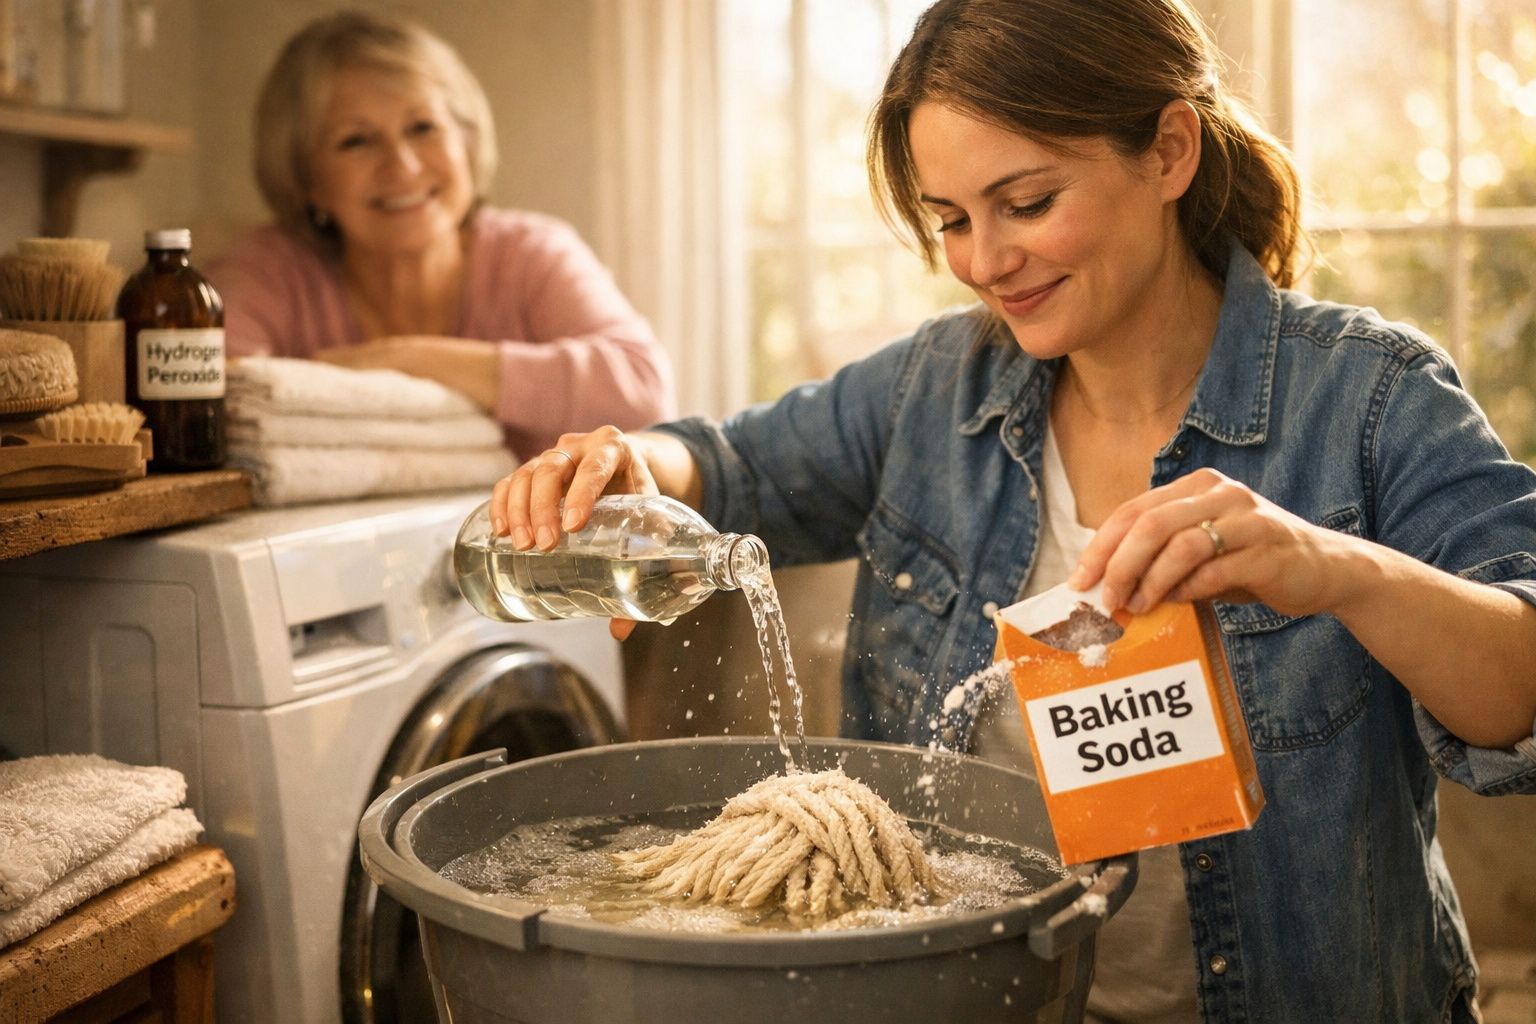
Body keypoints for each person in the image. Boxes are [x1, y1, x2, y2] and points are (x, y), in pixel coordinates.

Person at [489, 1, 1536, 1020]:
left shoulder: (1372, 397)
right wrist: (632, 464)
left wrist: (1337, 568)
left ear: (1169, 152)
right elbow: (727, 468)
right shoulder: (932, 390)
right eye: (951, 219)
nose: (984, 262)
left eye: (1027, 203)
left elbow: (1519, 695)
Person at [206, 10, 675, 461]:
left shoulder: (532, 254)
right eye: (356, 140)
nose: (403, 166)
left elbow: (645, 393)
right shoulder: (266, 268)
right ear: (306, 178)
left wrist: (406, 360)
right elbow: (210, 398)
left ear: (466, 143)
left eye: (422, 127)